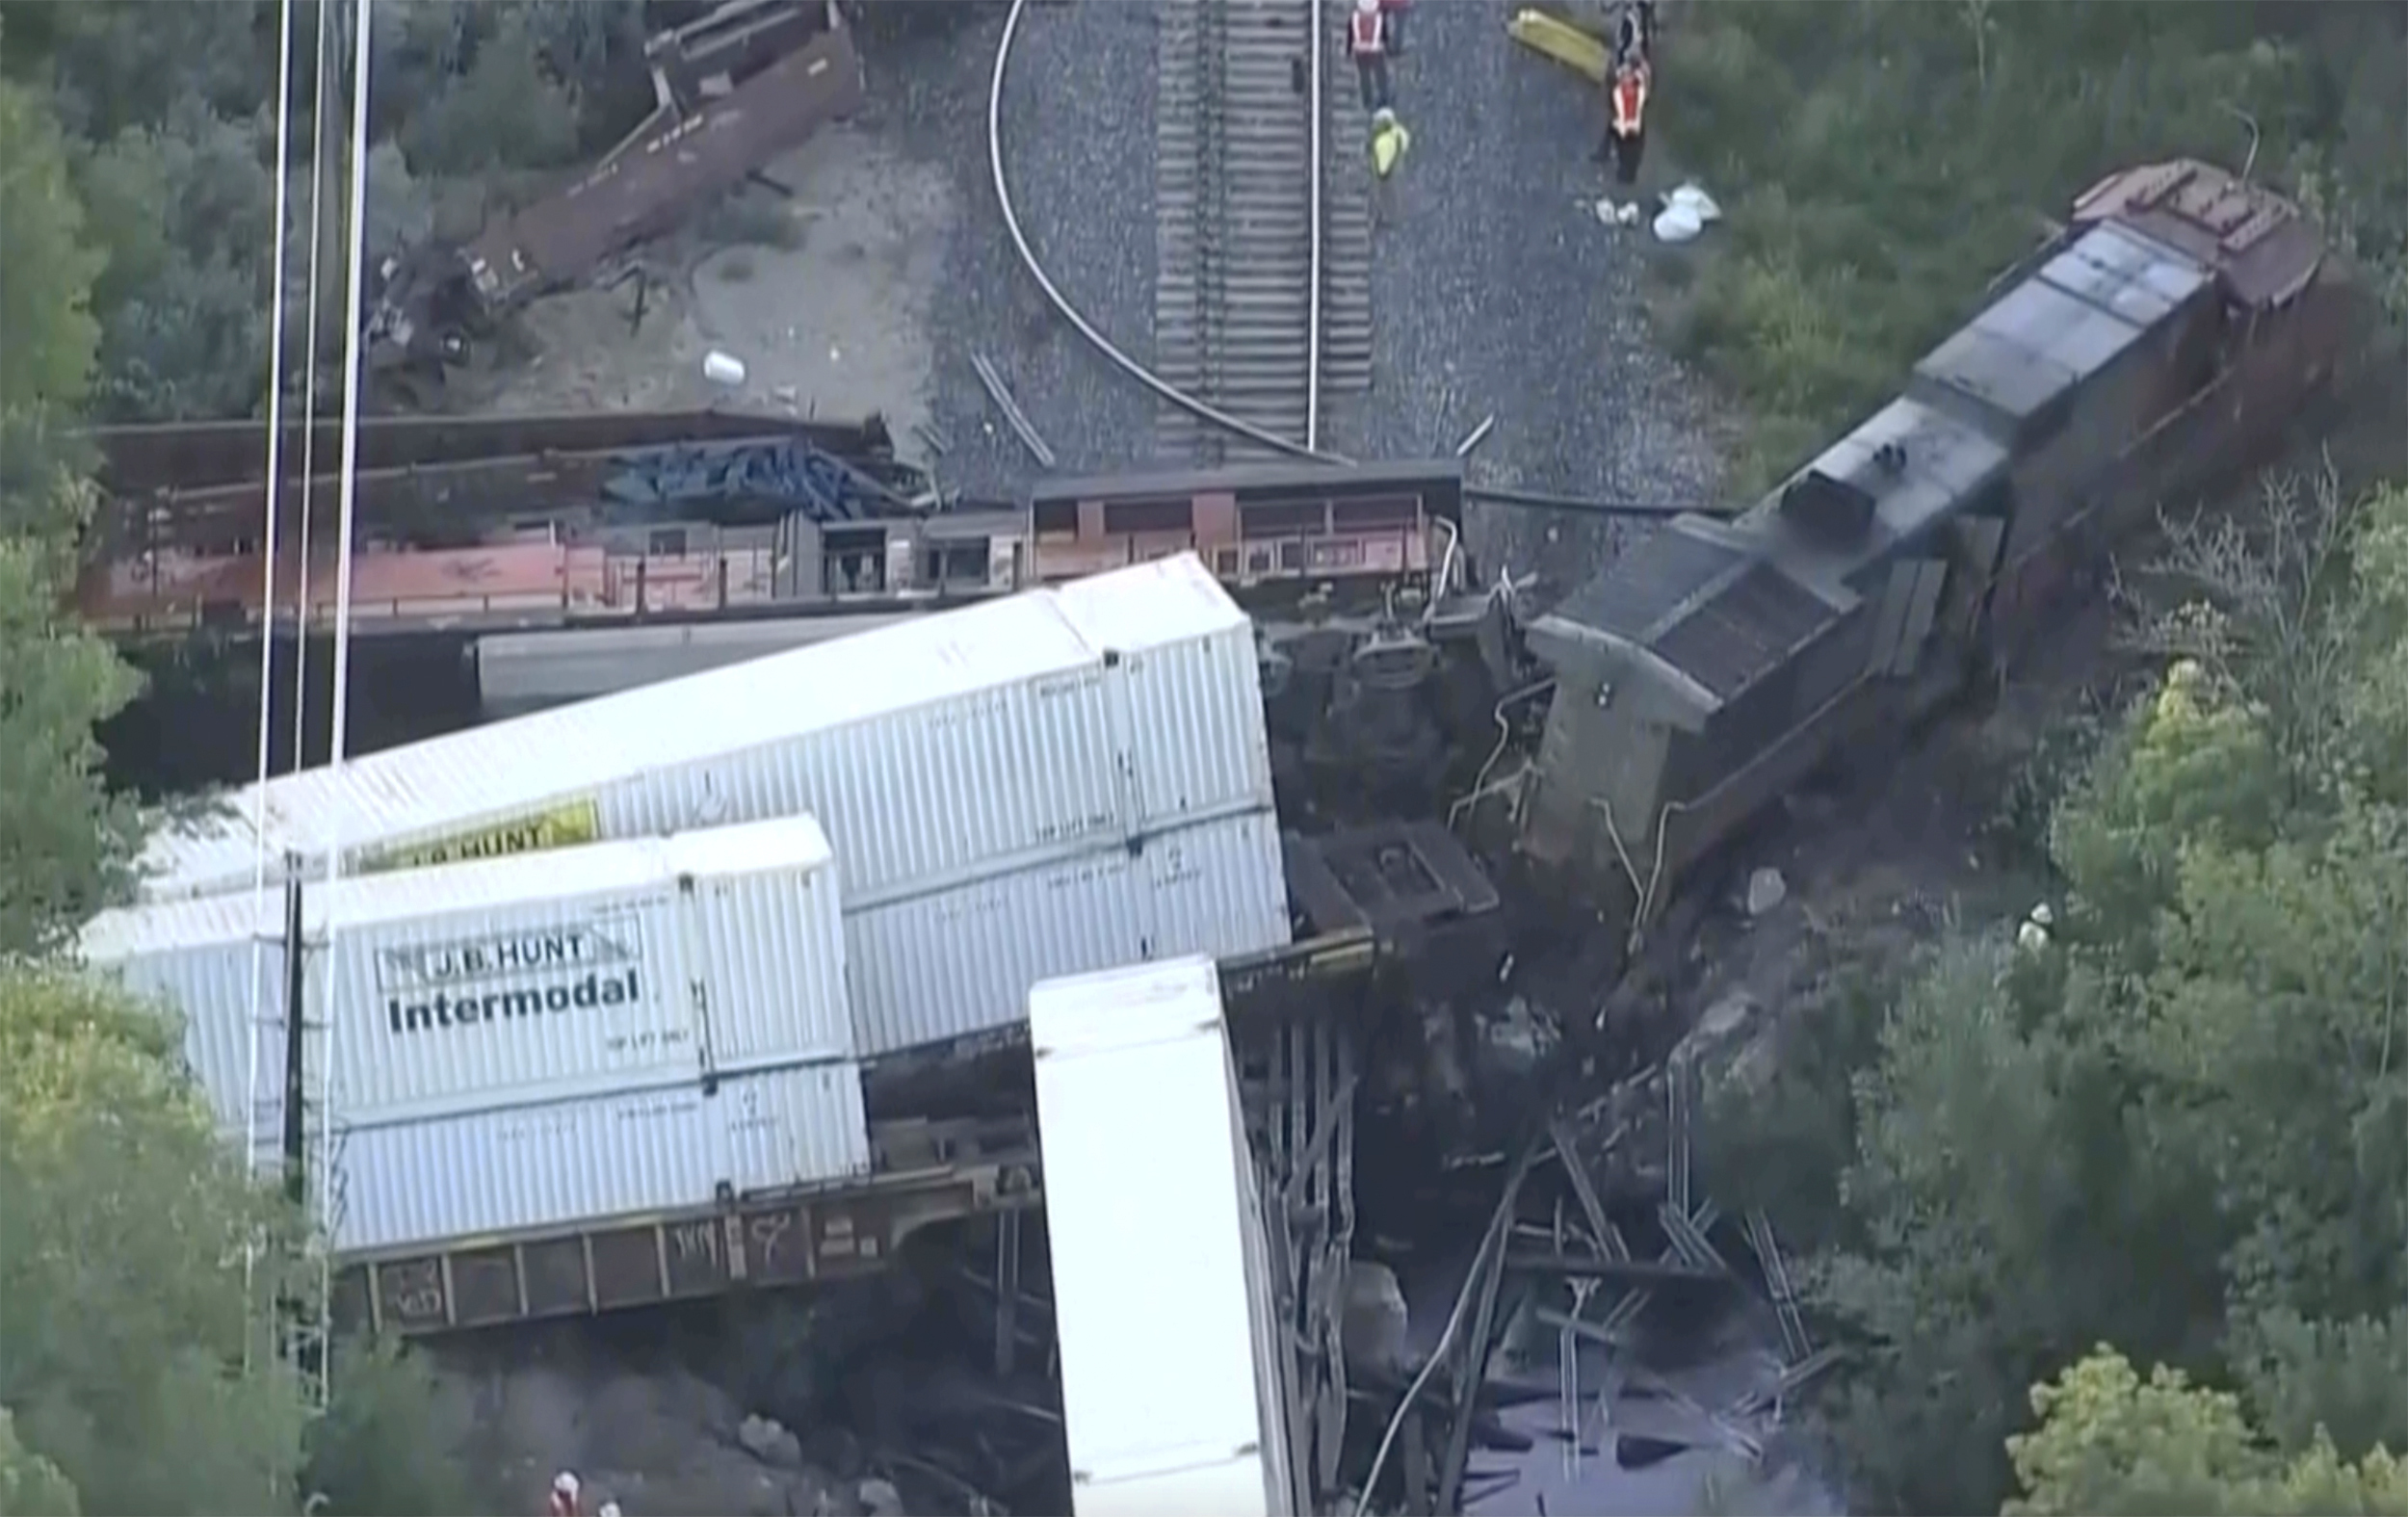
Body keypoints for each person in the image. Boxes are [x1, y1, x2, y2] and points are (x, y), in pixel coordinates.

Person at [1598, 57, 1649, 188]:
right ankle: (1608, 156)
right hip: (1626, 120)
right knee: (1619, 139)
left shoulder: (1637, 87)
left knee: (1629, 149)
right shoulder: (1623, 87)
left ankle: (1626, 172)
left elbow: (1638, 103)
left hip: (1632, 122)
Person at [1369, 105, 1411, 223]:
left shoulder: (1384, 140)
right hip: (1397, 173)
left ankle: (1383, 217)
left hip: (1387, 176)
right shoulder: (1398, 136)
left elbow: (1382, 167)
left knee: (1385, 196)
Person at [1348, 0, 1392, 113]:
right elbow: (1384, 35)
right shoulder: (1378, 18)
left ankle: (1368, 99)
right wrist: (1386, 47)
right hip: (1375, 51)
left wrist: (1349, 51)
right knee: (1379, 74)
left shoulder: (1355, 18)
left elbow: (1350, 35)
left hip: (1361, 51)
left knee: (1365, 76)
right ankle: (1382, 97)